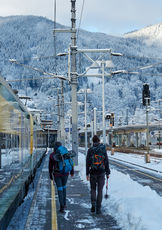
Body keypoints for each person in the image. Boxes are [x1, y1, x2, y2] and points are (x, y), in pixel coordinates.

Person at [86, 135, 110, 214]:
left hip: (93, 172)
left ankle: (93, 205)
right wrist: (107, 172)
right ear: (99, 141)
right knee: (100, 191)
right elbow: (106, 161)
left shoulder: (90, 150)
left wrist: (87, 173)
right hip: (101, 172)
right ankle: (98, 208)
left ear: (92, 142)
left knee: (93, 189)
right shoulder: (103, 149)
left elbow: (87, 163)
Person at [49, 141, 74, 213]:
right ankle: (65, 204)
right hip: (65, 173)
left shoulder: (52, 155)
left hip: (57, 174)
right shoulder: (66, 153)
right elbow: (70, 162)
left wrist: (50, 175)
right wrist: (72, 172)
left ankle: (62, 206)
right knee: (64, 188)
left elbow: (50, 167)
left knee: (60, 190)